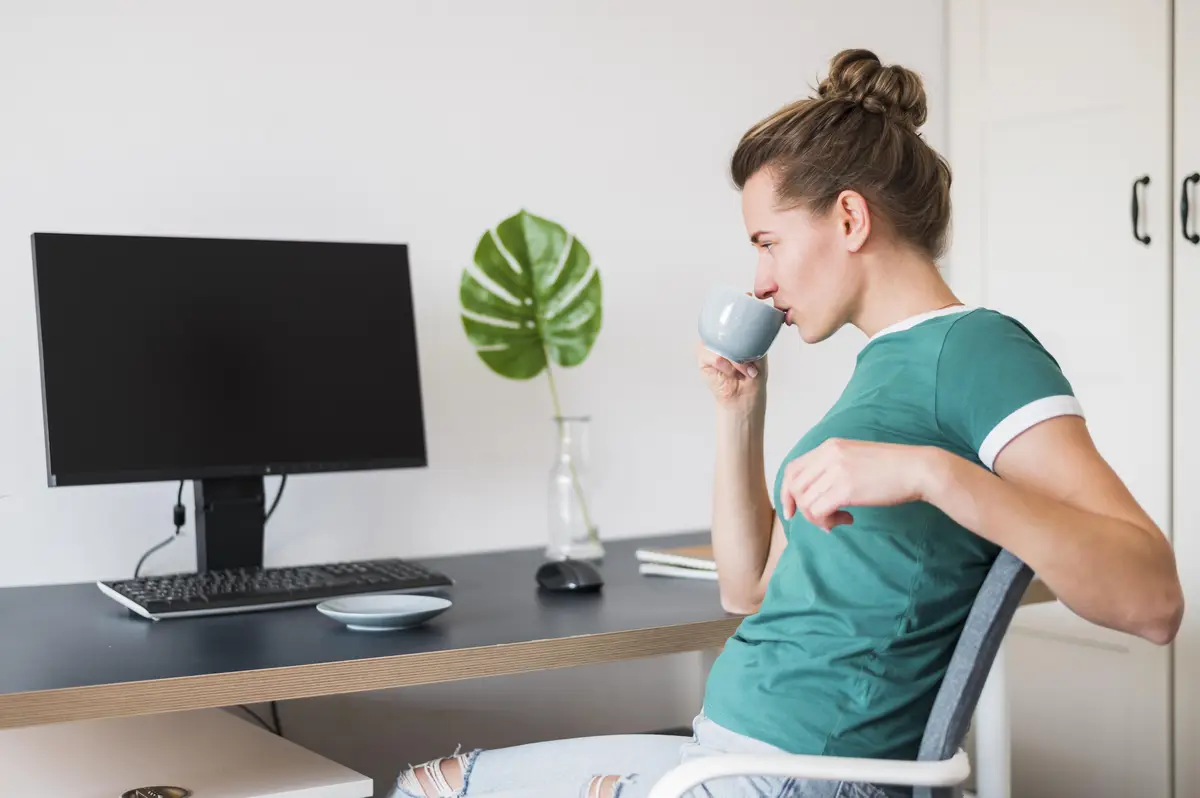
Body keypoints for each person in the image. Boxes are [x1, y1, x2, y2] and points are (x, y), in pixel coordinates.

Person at [389, 48, 1183, 798]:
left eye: (768, 242)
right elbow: (747, 589)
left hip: (791, 776)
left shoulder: (977, 352)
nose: (761, 282)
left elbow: (1153, 601)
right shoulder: (883, 368)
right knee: (428, 784)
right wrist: (740, 413)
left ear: (848, 219)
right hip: (726, 752)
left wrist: (933, 475)